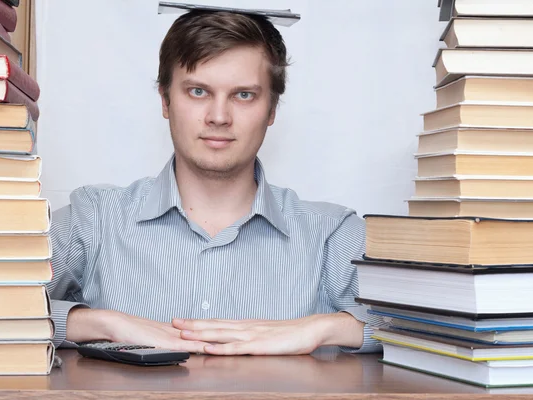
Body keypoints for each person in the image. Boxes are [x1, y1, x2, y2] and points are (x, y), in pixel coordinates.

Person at [47, 8, 382, 355]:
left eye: (244, 95)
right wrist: (100, 323)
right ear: (165, 99)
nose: (219, 117)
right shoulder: (93, 220)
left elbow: (424, 326)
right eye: (197, 92)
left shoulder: (331, 234)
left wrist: (323, 328)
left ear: (272, 110)